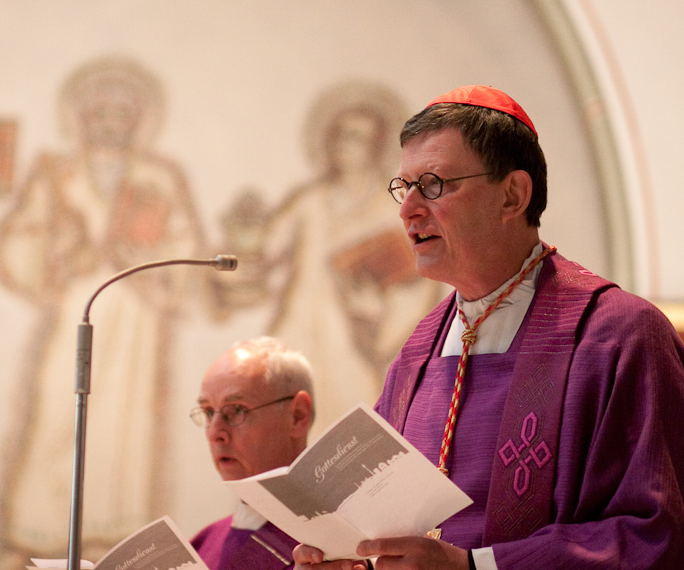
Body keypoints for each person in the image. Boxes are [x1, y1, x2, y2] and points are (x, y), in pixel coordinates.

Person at [293, 85, 684, 570]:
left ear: (512, 195)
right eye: (404, 187)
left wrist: (472, 566)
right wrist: (350, 558)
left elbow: (656, 536)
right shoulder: (418, 351)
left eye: (433, 184)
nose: (407, 209)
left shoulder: (617, 336)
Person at [0, 56, 204, 569]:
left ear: (138, 121)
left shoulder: (160, 177)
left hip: (138, 319)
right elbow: (17, 239)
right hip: (75, 313)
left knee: (124, 426)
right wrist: (57, 257)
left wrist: (144, 262)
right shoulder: (55, 173)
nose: (111, 124)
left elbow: (186, 247)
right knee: (59, 414)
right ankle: (39, 533)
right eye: (101, 113)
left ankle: (114, 537)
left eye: (123, 114)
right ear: (82, 118)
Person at [214, 80, 440, 438]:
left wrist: (378, 320)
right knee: (279, 441)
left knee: (346, 447)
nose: (343, 145)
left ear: (375, 146)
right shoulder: (310, 202)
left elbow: (416, 287)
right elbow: (262, 255)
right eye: (339, 135)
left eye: (356, 137)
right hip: (295, 338)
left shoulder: (393, 211)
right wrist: (242, 241)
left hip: (352, 351)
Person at [190, 336, 315, 570]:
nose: (215, 433)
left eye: (236, 410)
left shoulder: (342, 545)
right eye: (208, 412)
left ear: (297, 415)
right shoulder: (201, 546)